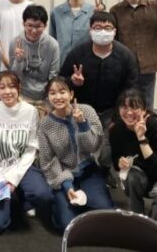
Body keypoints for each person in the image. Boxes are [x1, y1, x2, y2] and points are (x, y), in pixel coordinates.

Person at [0, 71, 52, 235]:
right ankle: (4, 200)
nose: (7, 91)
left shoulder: (30, 111)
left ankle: (22, 197)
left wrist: (13, 179)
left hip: (22, 165)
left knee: (43, 194)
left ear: (19, 88)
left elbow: (31, 148)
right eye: (2, 87)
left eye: (11, 87)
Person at [59, 11, 137, 170]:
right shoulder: (77, 53)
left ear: (114, 31)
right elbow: (61, 82)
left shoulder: (125, 56)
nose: (103, 32)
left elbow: (131, 89)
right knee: (77, 147)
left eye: (108, 28)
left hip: (112, 111)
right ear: (90, 30)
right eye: (98, 27)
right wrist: (72, 81)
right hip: (82, 110)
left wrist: (118, 117)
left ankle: (108, 170)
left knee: (108, 151)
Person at [38, 77, 113, 233]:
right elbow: (48, 161)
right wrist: (67, 186)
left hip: (88, 171)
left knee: (105, 213)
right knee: (67, 226)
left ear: (71, 94)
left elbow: (94, 146)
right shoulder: (45, 124)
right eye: (52, 93)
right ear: (48, 97)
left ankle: (89, 199)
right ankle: (63, 203)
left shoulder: (87, 110)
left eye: (62, 91)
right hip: (63, 175)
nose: (58, 97)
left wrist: (82, 124)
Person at [110, 88, 157, 225]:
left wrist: (141, 138)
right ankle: (137, 218)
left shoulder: (156, 128)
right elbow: (116, 158)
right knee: (131, 175)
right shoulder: (116, 130)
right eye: (124, 107)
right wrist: (119, 162)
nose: (129, 112)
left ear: (144, 110)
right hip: (140, 177)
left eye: (134, 107)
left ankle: (154, 225)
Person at [10, 5, 59, 115]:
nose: (34, 30)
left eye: (38, 26)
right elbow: (13, 77)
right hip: (21, 97)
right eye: (30, 25)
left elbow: (53, 76)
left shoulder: (53, 45)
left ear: (45, 25)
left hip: (44, 98)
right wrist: (18, 60)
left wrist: (49, 102)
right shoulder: (15, 43)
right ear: (23, 23)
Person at [50, 0, 101, 66]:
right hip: (62, 63)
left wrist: (100, 15)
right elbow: (52, 40)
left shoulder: (93, 11)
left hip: (87, 64)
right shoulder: (56, 12)